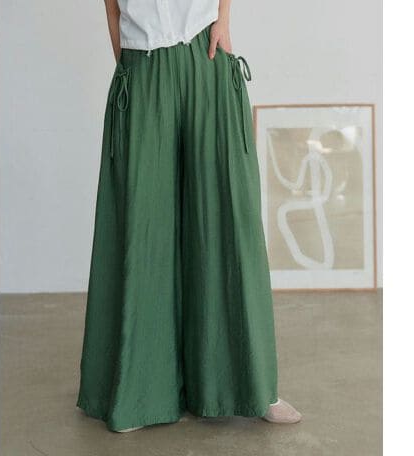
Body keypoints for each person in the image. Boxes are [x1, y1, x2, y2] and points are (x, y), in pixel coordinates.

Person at [77, 0, 302, 433]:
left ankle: (253, 387)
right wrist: (128, 65)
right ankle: (138, 392)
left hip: (206, 53)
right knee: (143, 226)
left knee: (228, 220)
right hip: (143, 64)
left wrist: (224, 19)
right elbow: (112, 9)